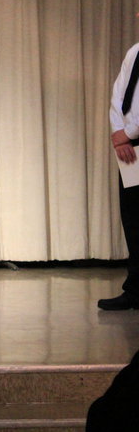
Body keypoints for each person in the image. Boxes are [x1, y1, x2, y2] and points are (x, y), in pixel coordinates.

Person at [98, 28, 139, 310]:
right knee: (134, 218)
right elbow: (119, 94)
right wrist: (118, 133)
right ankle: (135, 290)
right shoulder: (134, 51)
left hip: (133, 137)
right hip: (129, 144)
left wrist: (129, 132)